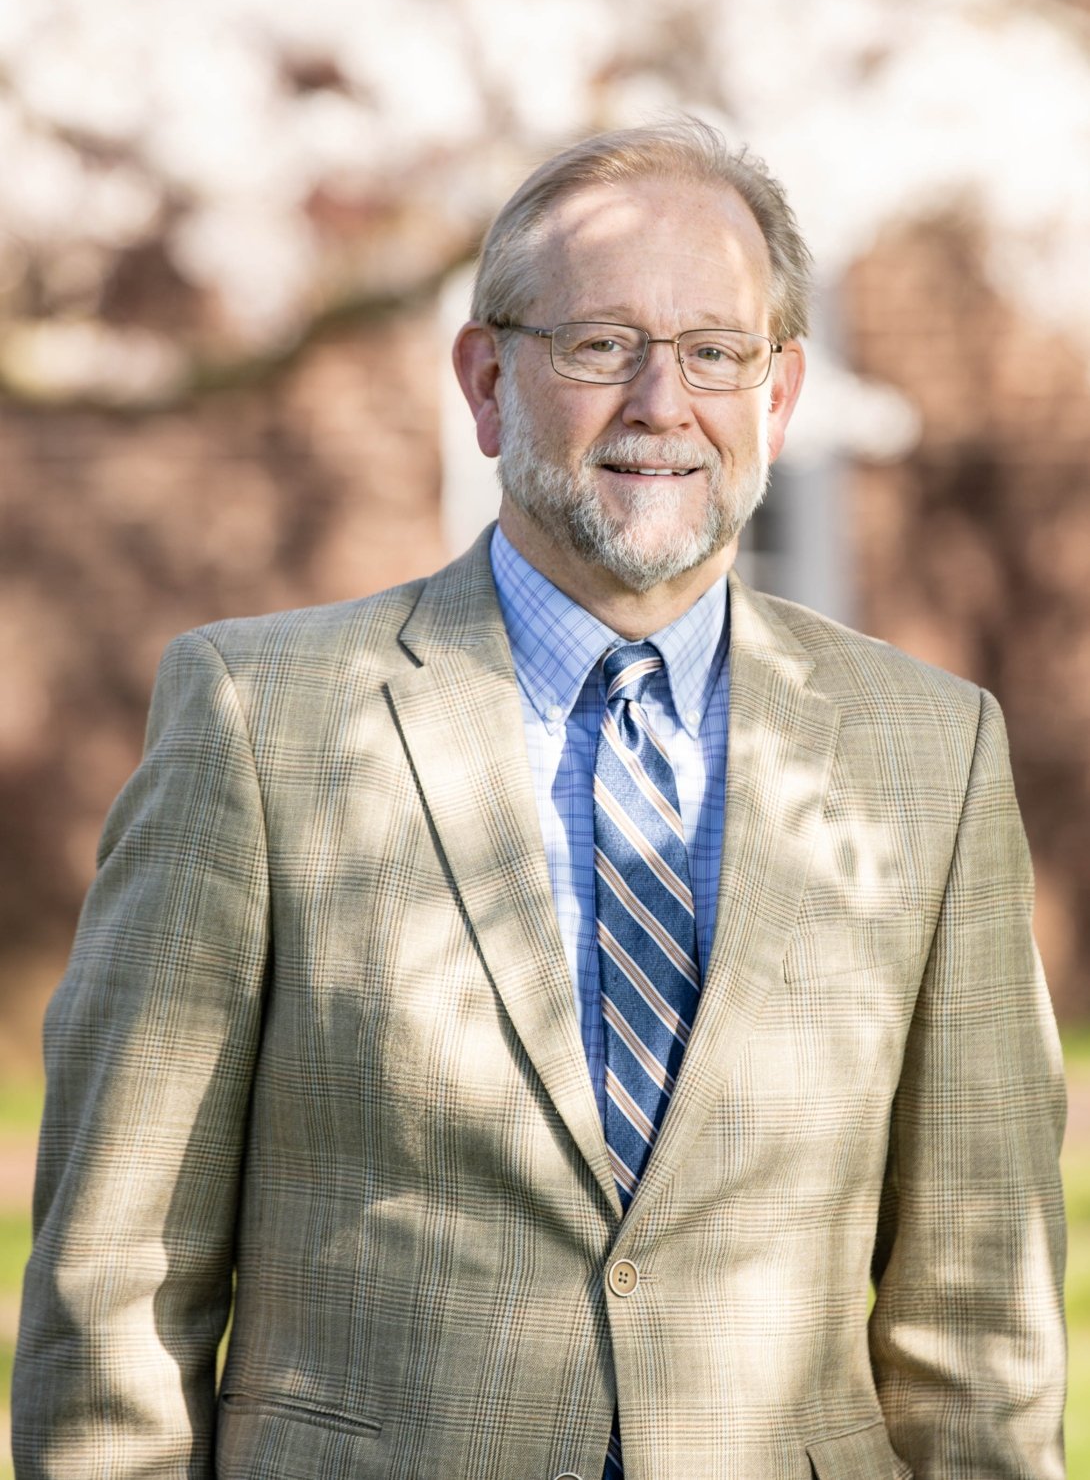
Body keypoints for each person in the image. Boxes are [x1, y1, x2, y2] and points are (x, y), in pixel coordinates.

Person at [14, 118, 1066, 1480]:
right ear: (485, 381)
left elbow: (977, 1320)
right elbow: (118, 1283)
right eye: (597, 345)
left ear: (781, 394)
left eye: (713, 352)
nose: (659, 401)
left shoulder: (932, 748)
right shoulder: (258, 720)